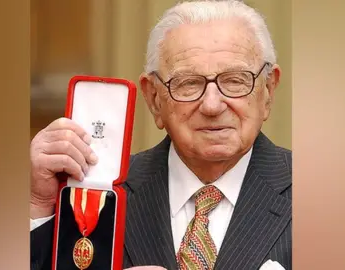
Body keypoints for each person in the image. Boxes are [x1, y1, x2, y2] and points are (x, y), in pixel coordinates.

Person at [30, 1, 292, 269]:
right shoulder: (97, 191)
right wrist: (37, 205)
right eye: (188, 83)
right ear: (154, 98)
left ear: (268, 91)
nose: (212, 105)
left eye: (235, 81)